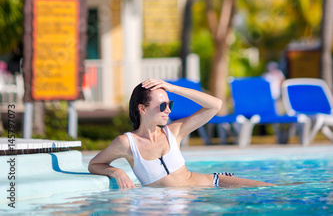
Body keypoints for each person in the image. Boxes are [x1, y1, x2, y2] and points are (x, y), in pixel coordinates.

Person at [88, 78, 274, 189]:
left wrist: (172, 87)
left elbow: (215, 105)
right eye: (162, 105)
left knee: (272, 190)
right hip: (182, 204)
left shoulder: (174, 132)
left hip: (215, 185)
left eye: (170, 104)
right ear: (142, 109)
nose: (168, 110)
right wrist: (117, 172)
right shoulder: (127, 143)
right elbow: (94, 164)